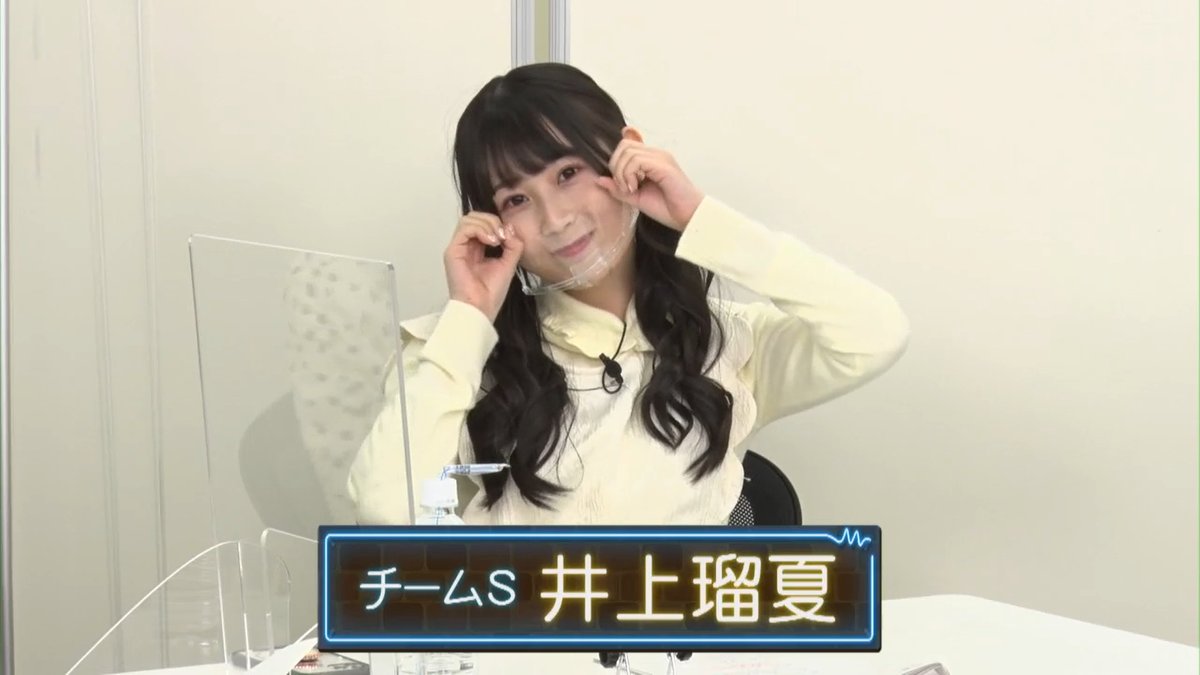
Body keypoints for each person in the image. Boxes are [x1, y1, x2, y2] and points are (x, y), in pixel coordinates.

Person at [347, 62, 910, 526]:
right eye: (517, 200)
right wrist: (470, 316)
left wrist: (698, 219)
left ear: (625, 157)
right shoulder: (458, 353)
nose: (556, 219)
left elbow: (875, 334)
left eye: (567, 173)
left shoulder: (726, 340)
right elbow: (384, 513)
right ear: (493, 224)